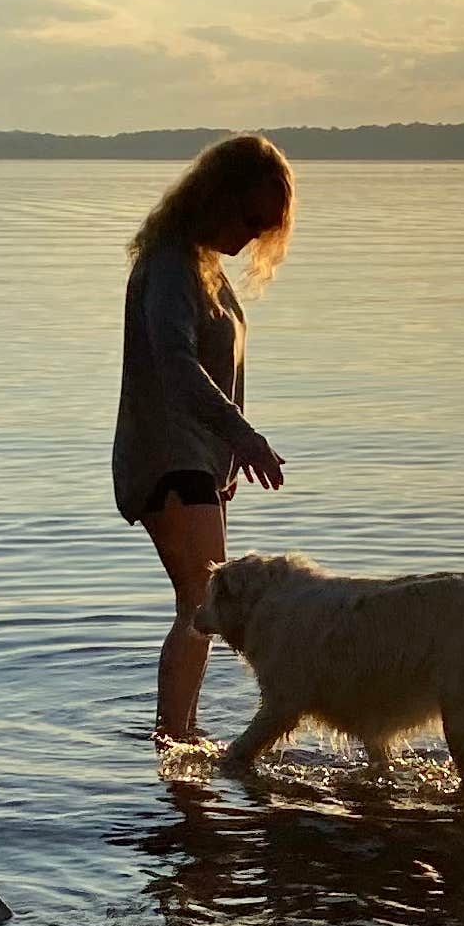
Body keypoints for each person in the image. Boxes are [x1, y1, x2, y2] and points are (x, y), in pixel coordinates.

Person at [109, 133, 294, 750]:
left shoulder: (201, 265)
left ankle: (182, 735)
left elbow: (216, 373)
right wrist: (243, 435)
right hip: (166, 456)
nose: (249, 240)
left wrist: (229, 453)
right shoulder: (167, 263)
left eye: (262, 229)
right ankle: (176, 744)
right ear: (217, 195)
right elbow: (177, 366)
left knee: (200, 603)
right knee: (200, 600)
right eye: (248, 219)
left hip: (198, 457)